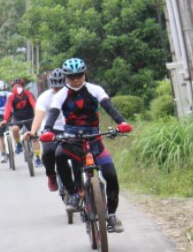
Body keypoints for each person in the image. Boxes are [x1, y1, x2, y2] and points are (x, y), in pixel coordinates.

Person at [40, 58, 132, 233]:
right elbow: (52, 113)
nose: (75, 79)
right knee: (59, 155)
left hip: (94, 138)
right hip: (71, 139)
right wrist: (47, 130)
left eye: (79, 75)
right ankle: (73, 194)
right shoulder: (60, 95)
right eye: (71, 76)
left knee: (111, 174)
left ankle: (111, 215)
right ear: (66, 77)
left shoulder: (95, 89)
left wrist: (122, 122)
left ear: (85, 74)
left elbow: (108, 106)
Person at [24, 68, 66, 192]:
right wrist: (32, 133)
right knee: (48, 151)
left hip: (69, 128)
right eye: (55, 88)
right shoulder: (45, 97)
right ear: (51, 85)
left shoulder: (72, 94)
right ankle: (51, 175)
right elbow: (38, 116)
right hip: (50, 130)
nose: (58, 90)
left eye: (61, 87)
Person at [0, 78, 40, 166]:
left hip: (30, 117)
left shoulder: (28, 94)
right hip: (17, 118)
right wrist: (5, 120)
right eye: (15, 86)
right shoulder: (11, 97)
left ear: (23, 86)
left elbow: (34, 105)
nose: (17, 87)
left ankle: (37, 158)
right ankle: (18, 144)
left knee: (34, 138)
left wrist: (38, 115)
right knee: (14, 129)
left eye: (19, 85)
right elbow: (7, 109)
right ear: (12, 87)